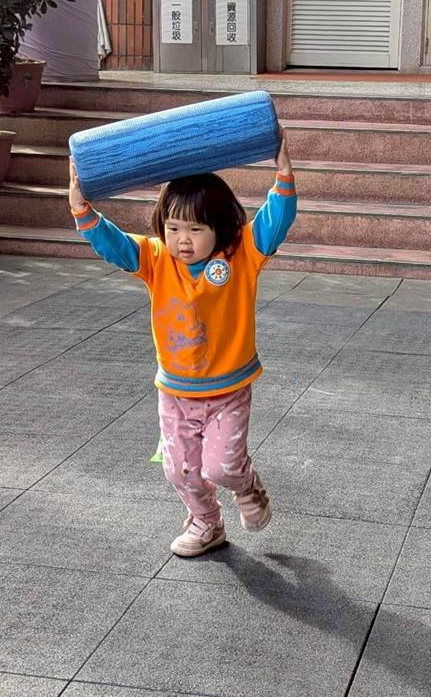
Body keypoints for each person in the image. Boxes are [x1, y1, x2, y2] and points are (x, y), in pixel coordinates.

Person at [68, 132, 296, 557]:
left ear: (220, 228)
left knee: (222, 467)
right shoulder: (156, 259)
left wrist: (283, 176)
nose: (183, 240)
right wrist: (82, 208)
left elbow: (274, 222)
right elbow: (114, 244)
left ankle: (247, 485)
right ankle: (207, 522)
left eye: (195, 229)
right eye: (173, 228)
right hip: (175, 392)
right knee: (180, 470)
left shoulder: (241, 254)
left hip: (228, 390)